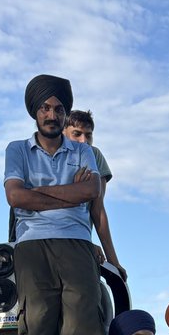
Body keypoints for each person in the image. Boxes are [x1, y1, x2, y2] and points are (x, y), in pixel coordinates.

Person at [4, 75, 103, 335]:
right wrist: (69, 194)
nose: (52, 115)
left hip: (76, 240)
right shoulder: (17, 149)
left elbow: (91, 191)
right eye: (45, 108)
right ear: (35, 112)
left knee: (82, 321)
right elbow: (15, 197)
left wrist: (35, 194)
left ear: (65, 114)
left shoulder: (83, 150)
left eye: (59, 109)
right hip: (31, 244)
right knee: (38, 322)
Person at [63, 109, 126, 281]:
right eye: (77, 134)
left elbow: (98, 210)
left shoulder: (94, 156)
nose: (83, 140)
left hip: (79, 240)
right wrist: (75, 191)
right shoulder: (51, 155)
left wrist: (113, 261)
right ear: (63, 132)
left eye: (88, 135)